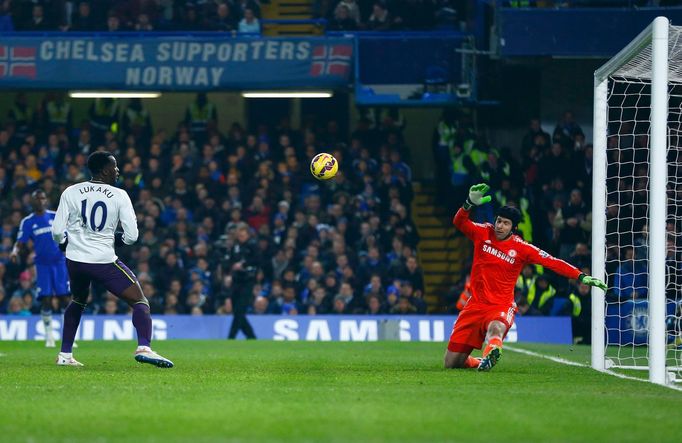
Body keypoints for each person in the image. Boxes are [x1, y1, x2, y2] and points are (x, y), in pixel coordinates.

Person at [444, 183, 607, 371]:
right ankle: (481, 361)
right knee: (451, 364)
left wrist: (580, 275)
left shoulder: (522, 248)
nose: (500, 226)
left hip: (500, 305)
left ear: (513, 227)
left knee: (495, 328)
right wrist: (468, 204)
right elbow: (459, 222)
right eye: (499, 221)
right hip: (474, 305)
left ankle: (492, 352)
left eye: (505, 223)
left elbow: (552, 262)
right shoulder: (483, 232)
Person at [51, 151, 173, 368]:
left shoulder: (71, 191)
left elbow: (58, 231)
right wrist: (118, 240)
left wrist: (65, 244)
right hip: (103, 261)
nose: (118, 170)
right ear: (105, 170)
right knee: (139, 301)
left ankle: (65, 354)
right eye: (115, 166)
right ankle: (144, 347)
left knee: (78, 301)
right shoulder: (119, 195)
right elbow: (132, 236)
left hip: (75, 261)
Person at [10, 190, 71, 348]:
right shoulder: (28, 221)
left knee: (65, 297)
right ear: (32, 202)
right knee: (46, 299)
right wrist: (15, 252)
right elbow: (20, 241)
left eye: (43, 198)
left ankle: (69, 336)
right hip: (42, 265)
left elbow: (69, 234)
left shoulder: (55, 216)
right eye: (37, 198)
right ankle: (49, 336)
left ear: (46, 200)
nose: (40, 201)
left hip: (59, 262)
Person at [223, 223, 258, 339]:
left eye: (243, 235)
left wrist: (243, 264)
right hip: (236, 281)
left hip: (248, 281)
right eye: (239, 235)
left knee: (240, 310)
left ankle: (231, 337)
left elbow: (258, 260)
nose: (241, 237)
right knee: (238, 312)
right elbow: (229, 262)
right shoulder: (235, 247)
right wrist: (230, 270)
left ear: (248, 235)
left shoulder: (253, 246)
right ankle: (251, 337)